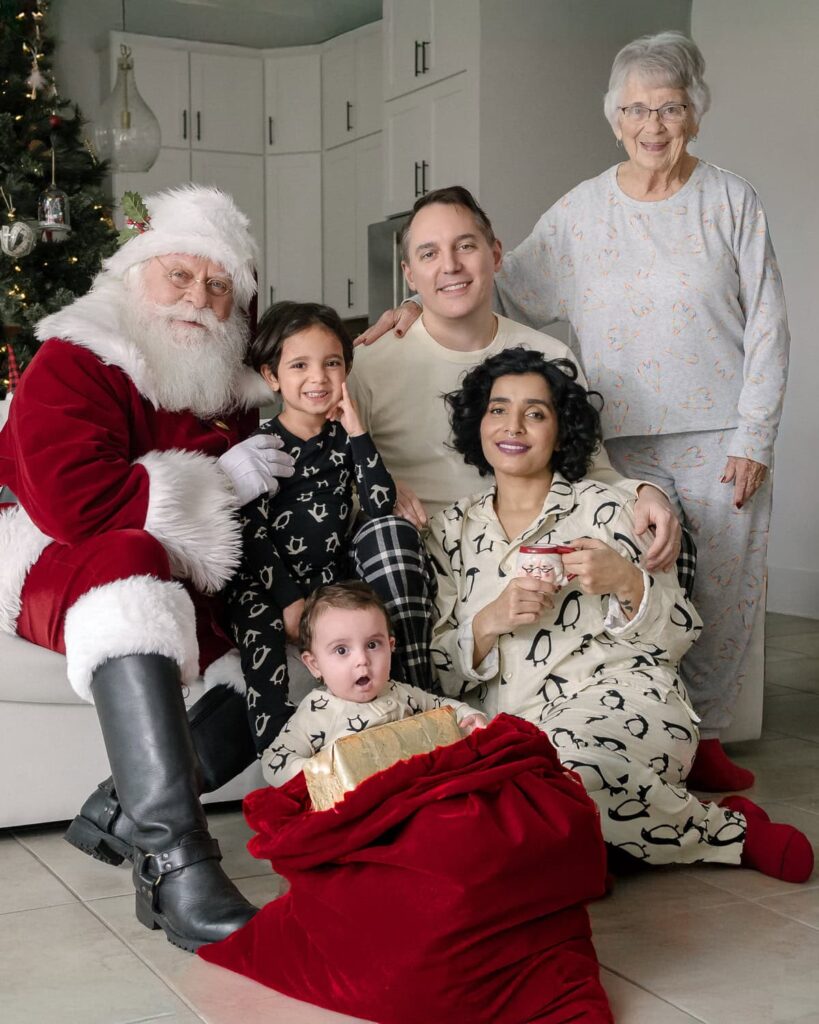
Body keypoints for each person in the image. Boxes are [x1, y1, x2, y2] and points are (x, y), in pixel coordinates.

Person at [358, 33, 789, 793]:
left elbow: (767, 323)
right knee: (639, 571)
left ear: (695, 112)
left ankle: (703, 734)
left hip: (718, 430)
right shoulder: (583, 210)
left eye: (669, 107)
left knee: (716, 588)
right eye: (634, 109)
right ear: (613, 118)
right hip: (607, 438)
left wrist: (754, 433)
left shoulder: (729, 200)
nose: (651, 124)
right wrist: (409, 306)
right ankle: (628, 722)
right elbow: (489, 278)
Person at [0, 185, 298, 950]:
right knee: (127, 557)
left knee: (298, 630)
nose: (198, 298)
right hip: (52, 560)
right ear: (137, 276)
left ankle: (121, 812)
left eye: (219, 284)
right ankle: (173, 863)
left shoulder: (222, 385)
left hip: (181, 570)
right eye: (180, 276)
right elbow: (73, 504)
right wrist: (219, 480)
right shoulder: (76, 356)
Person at [427, 348, 811, 883]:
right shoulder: (449, 532)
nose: (513, 425)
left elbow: (678, 635)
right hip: (510, 725)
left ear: (561, 434)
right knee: (505, 791)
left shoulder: (607, 509)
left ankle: (729, 833)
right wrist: (488, 621)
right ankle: (593, 849)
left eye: (535, 412)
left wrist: (627, 583)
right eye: (498, 409)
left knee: (559, 772)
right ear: (478, 423)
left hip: (628, 702)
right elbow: (434, 673)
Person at [349, 187, 683, 588]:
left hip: (536, 549)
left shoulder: (547, 356)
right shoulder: (369, 365)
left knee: (655, 531)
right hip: (422, 557)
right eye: (429, 254)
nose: (450, 265)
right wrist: (377, 488)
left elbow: (591, 469)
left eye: (465, 246)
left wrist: (645, 493)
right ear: (409, 273)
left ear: (495, 254)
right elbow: (331, 475)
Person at [226, 302, 435, 755]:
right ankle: (280, 761)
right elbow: (253, 534)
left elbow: (381, 505)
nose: (318, 378)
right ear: (272, 376)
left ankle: (388, 736)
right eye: (299, 365)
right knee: (260, 632)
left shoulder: (345, 441)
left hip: (330, 577)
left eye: (332, 363)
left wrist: (358, 431)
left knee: (370, 622)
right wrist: (288, 601)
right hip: (267, 584)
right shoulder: (262, 446)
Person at [262, 581, 487, 786]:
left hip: (417, 787)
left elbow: (444, 707)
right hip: (363, 804)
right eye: (342, 650)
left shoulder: (400, 692)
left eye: (372, 645)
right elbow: (274, 761)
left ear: (390, 646)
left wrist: (469, 717)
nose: (362, 660)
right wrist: (319, 770)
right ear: (314, 664)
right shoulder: (317, 711)